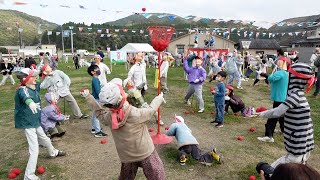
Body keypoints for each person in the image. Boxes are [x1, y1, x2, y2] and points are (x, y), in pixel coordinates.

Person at [80, 78, 166, 180]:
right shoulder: (136, 113)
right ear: (121, 96)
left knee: (126, 177)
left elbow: (99, 113)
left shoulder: (108, 117)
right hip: (145, 152)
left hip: (126, 155)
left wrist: (89, 97)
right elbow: (150, 110)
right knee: (156, 174)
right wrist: (159, 98)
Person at [258, 63, 315, 168]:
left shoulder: (295, 96)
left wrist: (262, 114)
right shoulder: (299, 94)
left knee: (282, 167)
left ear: (294, 79)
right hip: (305, 139)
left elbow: (278, 112)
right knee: (300, 164)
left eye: (290, 75)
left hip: (298, 141)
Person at [15, 68, 66, 180]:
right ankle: (29, 175)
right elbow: (26, 97)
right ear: (25, 79)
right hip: (28, 122)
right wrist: (30, 103)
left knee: (45, 138)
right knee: (34, 149)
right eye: (32, 77)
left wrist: (46, 74)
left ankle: (53, 152)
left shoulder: (34, 86)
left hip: (35, 120)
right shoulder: (22, 90)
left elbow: (41, 83)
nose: (35, 78)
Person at [257, 52, 290, 143]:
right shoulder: (285, 73)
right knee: (282, 116)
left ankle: (269, 135)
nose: (277, 63)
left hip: (279, 98)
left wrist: (263, 74)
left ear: (284, 64)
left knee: (273, 116)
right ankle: (284, 131)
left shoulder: (281, 73)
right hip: (283, 97)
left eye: (279, 62)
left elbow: (271, 78)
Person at [87, 64, 107, 137]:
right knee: (97, 115)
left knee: (94, 114)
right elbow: (98, 91)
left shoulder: (96, 79)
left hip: (94, 98)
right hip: (97, 99)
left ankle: (94, 128)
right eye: (97, 69)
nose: (99, 70)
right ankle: (98, 132)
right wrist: (103, 98)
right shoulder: (95, 80)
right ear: (93, 72)